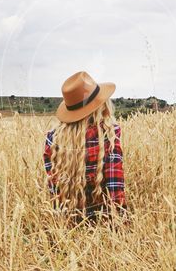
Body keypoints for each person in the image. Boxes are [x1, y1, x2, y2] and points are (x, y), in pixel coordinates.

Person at [43, 70, 127, 224]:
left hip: (67, 222)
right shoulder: (109, 134)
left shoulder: (52, 138)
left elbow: (54, 188)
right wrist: (119, 225)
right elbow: (115, 186)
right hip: (102, 222)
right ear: (101, 105)